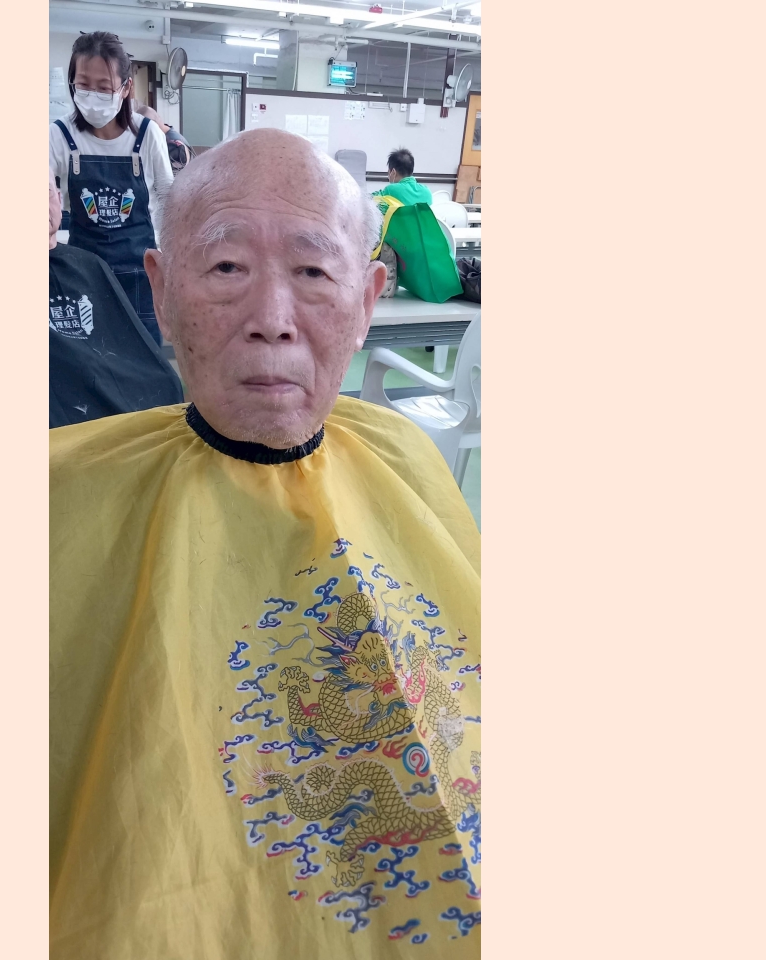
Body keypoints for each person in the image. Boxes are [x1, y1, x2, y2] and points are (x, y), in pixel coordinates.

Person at [50, 129, 481, 957]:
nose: (272, 323)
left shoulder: (405, 456)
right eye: (226, 268)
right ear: (161, 293)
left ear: (367, 300)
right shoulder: (55, 493)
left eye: (314, 273)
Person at [51, 32, 173, 346]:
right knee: (92, 361)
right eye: (83, 85)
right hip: (83, 275)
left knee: (143, 357)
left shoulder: (147, 135)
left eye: (104, 88)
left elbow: (167, 198)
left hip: (140, 275)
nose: (92, 95)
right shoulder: (60, 135)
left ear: (126, 87)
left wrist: (169, 256)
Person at [48, 182, 182, 428]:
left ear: (59, 198)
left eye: (45, 193)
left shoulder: (91, 265)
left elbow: (129, 346)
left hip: (108, 393)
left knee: (164, 383)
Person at [132, 100, 194, 172]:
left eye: (141, 130)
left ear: (152, 125)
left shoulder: (174, 146)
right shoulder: (168, 137)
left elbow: (171, 177)